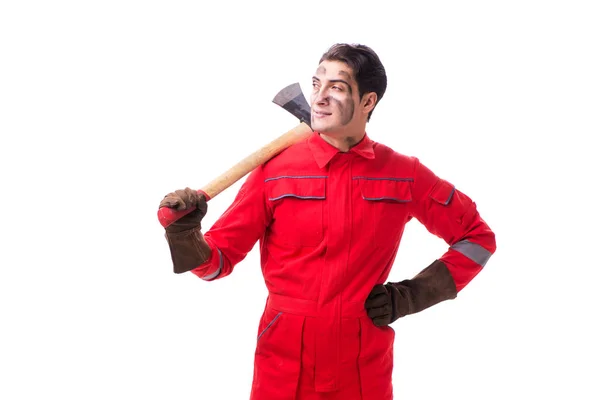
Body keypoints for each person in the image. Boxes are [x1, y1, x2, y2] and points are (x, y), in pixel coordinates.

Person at [159, 43, 496, 400]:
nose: (319, 98)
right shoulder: (275, 173)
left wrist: (410, 297)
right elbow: (216, 264)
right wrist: (184, 233)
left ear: (368, 102)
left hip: (362, 360)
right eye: (316, 84)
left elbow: (477, 237)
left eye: (336, 87)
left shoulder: (402, 174)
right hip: (284, 357)